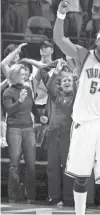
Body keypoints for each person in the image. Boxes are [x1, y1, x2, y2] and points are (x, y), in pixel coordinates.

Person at [53, 0, 100, 215]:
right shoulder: (84, 55)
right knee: (81, 177)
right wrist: (60, 15)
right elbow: (59, 39)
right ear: (96, 41)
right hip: (83, 124)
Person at [3, 63, 46, 203]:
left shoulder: (27, 89)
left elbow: (33, 108)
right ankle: (13, 196)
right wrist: (19, 100)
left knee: (31, 164)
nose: (24, 76)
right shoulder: (7, 92)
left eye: (25, 74)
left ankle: (31, 196)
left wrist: (41, 117)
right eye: (21, 74)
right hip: (14, 129)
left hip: (28, 129)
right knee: (14, 163)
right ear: (14, 75)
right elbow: (9, 110)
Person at [46, 59, 75, 206]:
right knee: (52, 166)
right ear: (60, 83)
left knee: (68, 167)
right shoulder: (56, 95)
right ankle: (54, 196)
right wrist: (57, 71)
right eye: (64, 80)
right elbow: (49, 85)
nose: (67, 82)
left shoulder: (76, 97)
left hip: (67, 137)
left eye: (70, 80)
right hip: (53, 135)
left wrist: (73, 68)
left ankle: (69, 198)